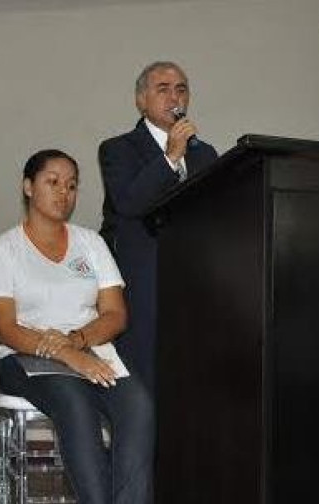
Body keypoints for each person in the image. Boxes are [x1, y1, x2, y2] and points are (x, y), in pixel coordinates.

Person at [0, 149, 152, 504]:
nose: (64, 192)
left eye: (72, 185)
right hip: (26, 358)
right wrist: (63, 354)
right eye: (53, 182)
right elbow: (4, 327)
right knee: (75, 403)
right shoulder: (3, 250)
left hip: (92, 351)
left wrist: (78, 341)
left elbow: (115, 314)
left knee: (138, 404)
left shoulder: (90, 243)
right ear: (28, 187)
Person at [98, 61, 218, 397]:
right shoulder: (117, 149)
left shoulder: (205, 154)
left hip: (196, 289)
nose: (174, 97)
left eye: (181, 89)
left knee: (194, 388)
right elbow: (130, 203)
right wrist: (170, 158)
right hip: (145, 289)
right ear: (140, 100)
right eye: (162, 89)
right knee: (147, 393)